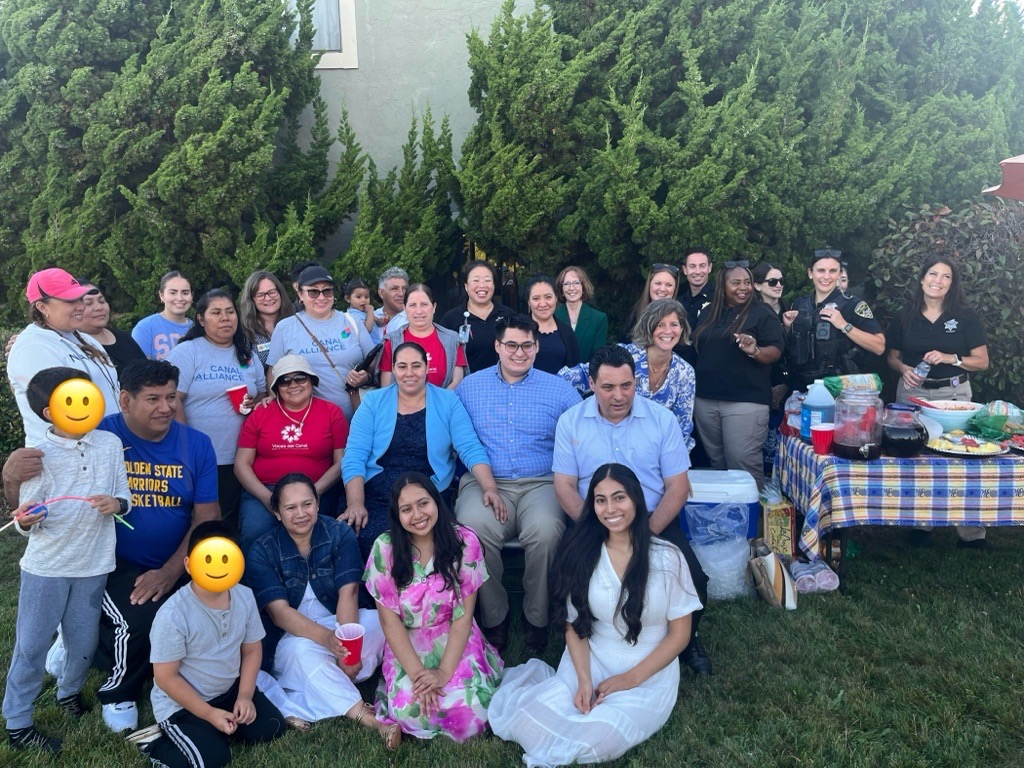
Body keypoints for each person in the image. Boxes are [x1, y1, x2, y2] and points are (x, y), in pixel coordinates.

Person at [490, 464, 701, 766]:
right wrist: (584, 680)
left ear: (636, 500)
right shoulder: (583, 554)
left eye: (619, 497)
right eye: (601, 500)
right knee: (528, 724)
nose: (610, 509)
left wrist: (629, 678)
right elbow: (574, 625)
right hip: (593, 659)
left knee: (599, 741)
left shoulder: (668, 557)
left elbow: (680, 635)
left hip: (648, 672)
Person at [553, 345, 712, 676]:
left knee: (694, 578)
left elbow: (677, 487)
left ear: (635, 382)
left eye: (626, 385)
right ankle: (582, 632)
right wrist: (594, 528)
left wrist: (645, 534)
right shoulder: (571, 421)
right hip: (593, 520)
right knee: (564, 572)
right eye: (608, 387)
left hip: (652, 520)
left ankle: (688, 637)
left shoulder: (662, 420)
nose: (619, 396)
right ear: (591, 384)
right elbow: (564, 486)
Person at [3, 368, 131, 754]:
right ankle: (18, 721)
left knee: (83, 641)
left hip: (94, 564)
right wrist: (29, 518)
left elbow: (124, 495)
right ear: (50, 412)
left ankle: (68, 692)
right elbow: (25, 520)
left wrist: (116, 504)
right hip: (48, 568)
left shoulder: (110, 444)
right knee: (32, 645)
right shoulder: (38, 454)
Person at [92, 361, 221, 732]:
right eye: (153, 399)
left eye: (170, 397)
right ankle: (119, 691)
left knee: (223, 602)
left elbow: (206, 516)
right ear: (125, 400)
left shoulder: (196, 444)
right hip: (112, 560)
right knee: (141, 617)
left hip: (177, 559)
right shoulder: (101, 436)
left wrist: (169, 571)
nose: (166, 407)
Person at [455, 314, 581, 654]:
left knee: (546, 531)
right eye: (511, 345)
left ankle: (536, 616)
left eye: (527, 345)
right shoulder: (470, 388)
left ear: (537, 347)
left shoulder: (559, 389)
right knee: (472, 529)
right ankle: (494, 615)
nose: (519, 352)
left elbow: (582, 436)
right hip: (485, 481)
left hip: (542, 482)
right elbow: (455, 435)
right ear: (497, 346)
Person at [245, 474, 399, 747]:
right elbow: (279, 612)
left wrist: (348, 650)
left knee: (381, 621)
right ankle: (369, 718)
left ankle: (314, 690)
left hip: (341, 623)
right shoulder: (262, 550)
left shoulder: (339, 533)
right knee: (302, 653)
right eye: (290, 508)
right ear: (277, 513)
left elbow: (349, 592)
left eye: (307, 504)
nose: (301, 513)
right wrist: (329, 641)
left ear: (317, 504)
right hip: (295, 635)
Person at [364, 472, 503, 742]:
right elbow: (390, 622)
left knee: (473, 710)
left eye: (423, 503)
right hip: (408, 641)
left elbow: (464, 616)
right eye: (406, 509)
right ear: (397, 515)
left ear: (437, 502)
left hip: (455, 634)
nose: (417, 515)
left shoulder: (465, 541)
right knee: (409, 711)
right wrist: (419, 676)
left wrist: (442, 673)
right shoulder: (384, 549)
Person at [137, 520, 287, 767]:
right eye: (207, 559)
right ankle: (156, 744)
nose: (217, 567)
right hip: (182, 704)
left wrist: (245, 696)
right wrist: (208, 714)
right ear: (189, 564)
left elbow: (252, 650)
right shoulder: (174, 614)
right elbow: (166, 678)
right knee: (213, 759)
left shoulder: (244, 596)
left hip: (227, 691)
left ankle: (212, 730)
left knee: (271, 727)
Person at [342, 342, 503, 562]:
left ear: (427, 368)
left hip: (431, 491)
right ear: (393, 369)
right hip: (381, 495)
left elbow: (470, 447)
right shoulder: (373, 402)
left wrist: (490, 488)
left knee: (439, 544)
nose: (409, 373)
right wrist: (356, 504)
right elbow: (354, 456)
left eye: (416, 366)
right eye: (402, 366)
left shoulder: (448, 401)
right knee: (375, 538)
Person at [887, 257, 989, 549]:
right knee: (916, 459)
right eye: (933, 274)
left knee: (962, 460)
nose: (938, 281)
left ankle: (971, 534)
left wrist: (950, 358)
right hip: (912, 395)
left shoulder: (965, 316)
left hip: (954, 396)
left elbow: (982, 361)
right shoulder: (904, 315)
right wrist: (903, 369)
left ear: (952, 284)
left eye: (946, 276)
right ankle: (921, 525)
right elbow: (892, 356)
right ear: (922, 279)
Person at [168, 289, 264, 526]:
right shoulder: (188, 351)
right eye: (216, 312)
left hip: (240, 458)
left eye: (230, 312)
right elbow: (171, 399)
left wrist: (253, 404)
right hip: (198, 458)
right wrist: (186, 445)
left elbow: (263, 394)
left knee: (228, 523)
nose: (225, 318)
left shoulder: (247, 355)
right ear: (201, 319)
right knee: (199, 522)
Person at [234, 355, 348, 554]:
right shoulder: (261, 413)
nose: (293, 385)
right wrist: (268, 498)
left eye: (300, 378)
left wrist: (314, 491)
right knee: (255, 532)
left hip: (317, 488)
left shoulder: (332, 413)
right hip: (267, 489)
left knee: (319, 539)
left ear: (312, 381)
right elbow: (241, 464)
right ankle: (259, 574)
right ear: (277, 387)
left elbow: (342, 462)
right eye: (284, 381)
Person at [692, 262, 784, 489]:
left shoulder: (762, 313)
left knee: (742, 465)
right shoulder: (708, 313)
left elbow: (775, 351)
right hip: (706, 400)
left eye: (747, 282)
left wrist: (755, 350)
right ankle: (727, 511)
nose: (743, 288)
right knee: (718, 464)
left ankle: (751, 511)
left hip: (745, 402)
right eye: (736, 283)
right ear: (723, 287)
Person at [560, 299, 696, 450]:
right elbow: (574, 377)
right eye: (660, 325)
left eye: (674, 324)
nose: (668, 331)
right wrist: (578, 411)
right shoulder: (626, 355)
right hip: (610, 443)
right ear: (649, 327)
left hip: (655, 450)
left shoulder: (685, 372)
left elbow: (682, 428)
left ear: (682, 328)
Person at [7, 268, 121, 447]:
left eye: (80, 298)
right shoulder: (33, 347)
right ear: (42, 307)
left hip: (102, 450)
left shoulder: (84, 338)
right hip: (65, 455)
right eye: (70, 300)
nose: (80, 306)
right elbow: (65, 409)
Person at [267, 265, 375, 420]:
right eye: (313, 292)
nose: (321, 297)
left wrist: (365, 377)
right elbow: (273, 373)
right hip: (308, 422)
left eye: (327, 291)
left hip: (357, 417)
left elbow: (374, 366)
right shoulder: (285, 328)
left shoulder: (352, 322)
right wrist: (278, 413)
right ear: (300, 294)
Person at [783, 249, 885, 390]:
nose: (826, 276)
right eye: (821, 270)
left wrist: (844, 325)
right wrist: (788, 328)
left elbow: (879, 346)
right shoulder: (799, 304)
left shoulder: (853, 305)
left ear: (839, 274)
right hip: (802, 389)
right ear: (810, 273)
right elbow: (788, 351)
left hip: (842, 391)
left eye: (832, 271)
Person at [379, 283, 468, 389]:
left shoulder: (452, 340)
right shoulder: (392, 342)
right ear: (405, 308)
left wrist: (439, 399)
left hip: (444, 399)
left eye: (424, 304)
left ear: (434, 307)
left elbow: (457, 381)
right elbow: (387, 387)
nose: (419, 311)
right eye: (412, 305)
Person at [438, 260, 515, 373]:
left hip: (504, 381)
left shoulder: (508, 316)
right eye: (475, 280)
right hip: (465, 382)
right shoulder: (451, 318)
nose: (482, 285)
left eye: (487, 280)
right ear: (466, 286)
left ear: (494, 285)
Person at [752, 262, 792, 476]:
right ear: (757, 285)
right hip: (758, 388)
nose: (778, 285)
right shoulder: (749, 313)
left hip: (786, 388)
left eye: (781, 281)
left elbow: (795, 355)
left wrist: (786, 384)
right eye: (773, 281)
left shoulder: (790, 311)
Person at [77, 280, 148, 378]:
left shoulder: (124, 337)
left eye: (102, 301)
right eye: (88, 303)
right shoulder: (73, 346)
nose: (99, 307)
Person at [131, 271, 194, 360]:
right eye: (173, 293)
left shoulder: (199, 329)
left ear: (192, 296)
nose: (179, 298)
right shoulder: (145, 328)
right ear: (161, 296)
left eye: (185, 293)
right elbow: (140, 366)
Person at [238, 270, 295, 368]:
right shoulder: (244, 333)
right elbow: (243, 369)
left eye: (272, 292)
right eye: (260, 295)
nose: (268, 298)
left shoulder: (296, 324)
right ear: (251, 300)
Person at [526, 274, 580, 375]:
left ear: (556, 298)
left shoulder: (567, 332)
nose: (543, 304)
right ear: (529, 302)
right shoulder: (518, 330)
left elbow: (575, 369)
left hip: (560, 385)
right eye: (536, 298)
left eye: (548, 297)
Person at [554, 265, 608, 363]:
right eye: (566, 284)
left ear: (583, 286)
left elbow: (598, 356)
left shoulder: (599, 318)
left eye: (576, 283)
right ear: (561, 289)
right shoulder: (552, 316)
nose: (571, 288)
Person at [623, 263, 679, 338]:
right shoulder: (635, 314)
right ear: (649, 285)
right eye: (658, 283)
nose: (662, 289)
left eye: (669, 285)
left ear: (675, 288)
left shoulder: (680, 316)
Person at [680, 248, 715, 333]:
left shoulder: (719, 299)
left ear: (709, 268)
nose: (698, 271)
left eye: (702, 266)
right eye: (692, 266)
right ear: (685, 270)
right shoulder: (678, 301)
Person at [374, 265, 409, 334]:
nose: (401, 294)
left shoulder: (413, 318)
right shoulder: (371, 317)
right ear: (381, 293)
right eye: (394, 288)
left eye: (404, 289)